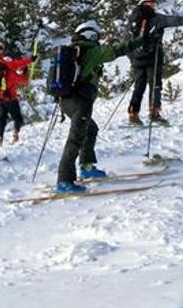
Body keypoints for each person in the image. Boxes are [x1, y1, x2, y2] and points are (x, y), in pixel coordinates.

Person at [56, 21, 144, 194]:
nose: (98, 39)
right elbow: (117, 50)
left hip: (68, 101)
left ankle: (86, 166)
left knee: (90, 129)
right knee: (75, 139)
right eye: (97, 35)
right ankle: (64, 181)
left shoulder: (76, 51)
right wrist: (142, 39)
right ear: (90, 35)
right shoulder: (90, 50)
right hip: (80, 102)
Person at [126, 0, 183, 126]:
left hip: (137, 58)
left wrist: (133, 58)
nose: (153, 6)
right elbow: (177, 20)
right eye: (151, 4)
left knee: (139, 86)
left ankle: (133, 114)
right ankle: (154, 113)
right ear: (147, 5)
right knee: (155, 84)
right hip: (153, 57)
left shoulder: (131, 20)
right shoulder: (155, 18)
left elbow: (125, 41)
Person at [0, 48, 36, 145]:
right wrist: (26, 72)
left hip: (0, 100)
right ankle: (15, 133)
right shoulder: (11, 74)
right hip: (11, 99)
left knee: (2, 119)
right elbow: (24, 81)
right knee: (17, 118)